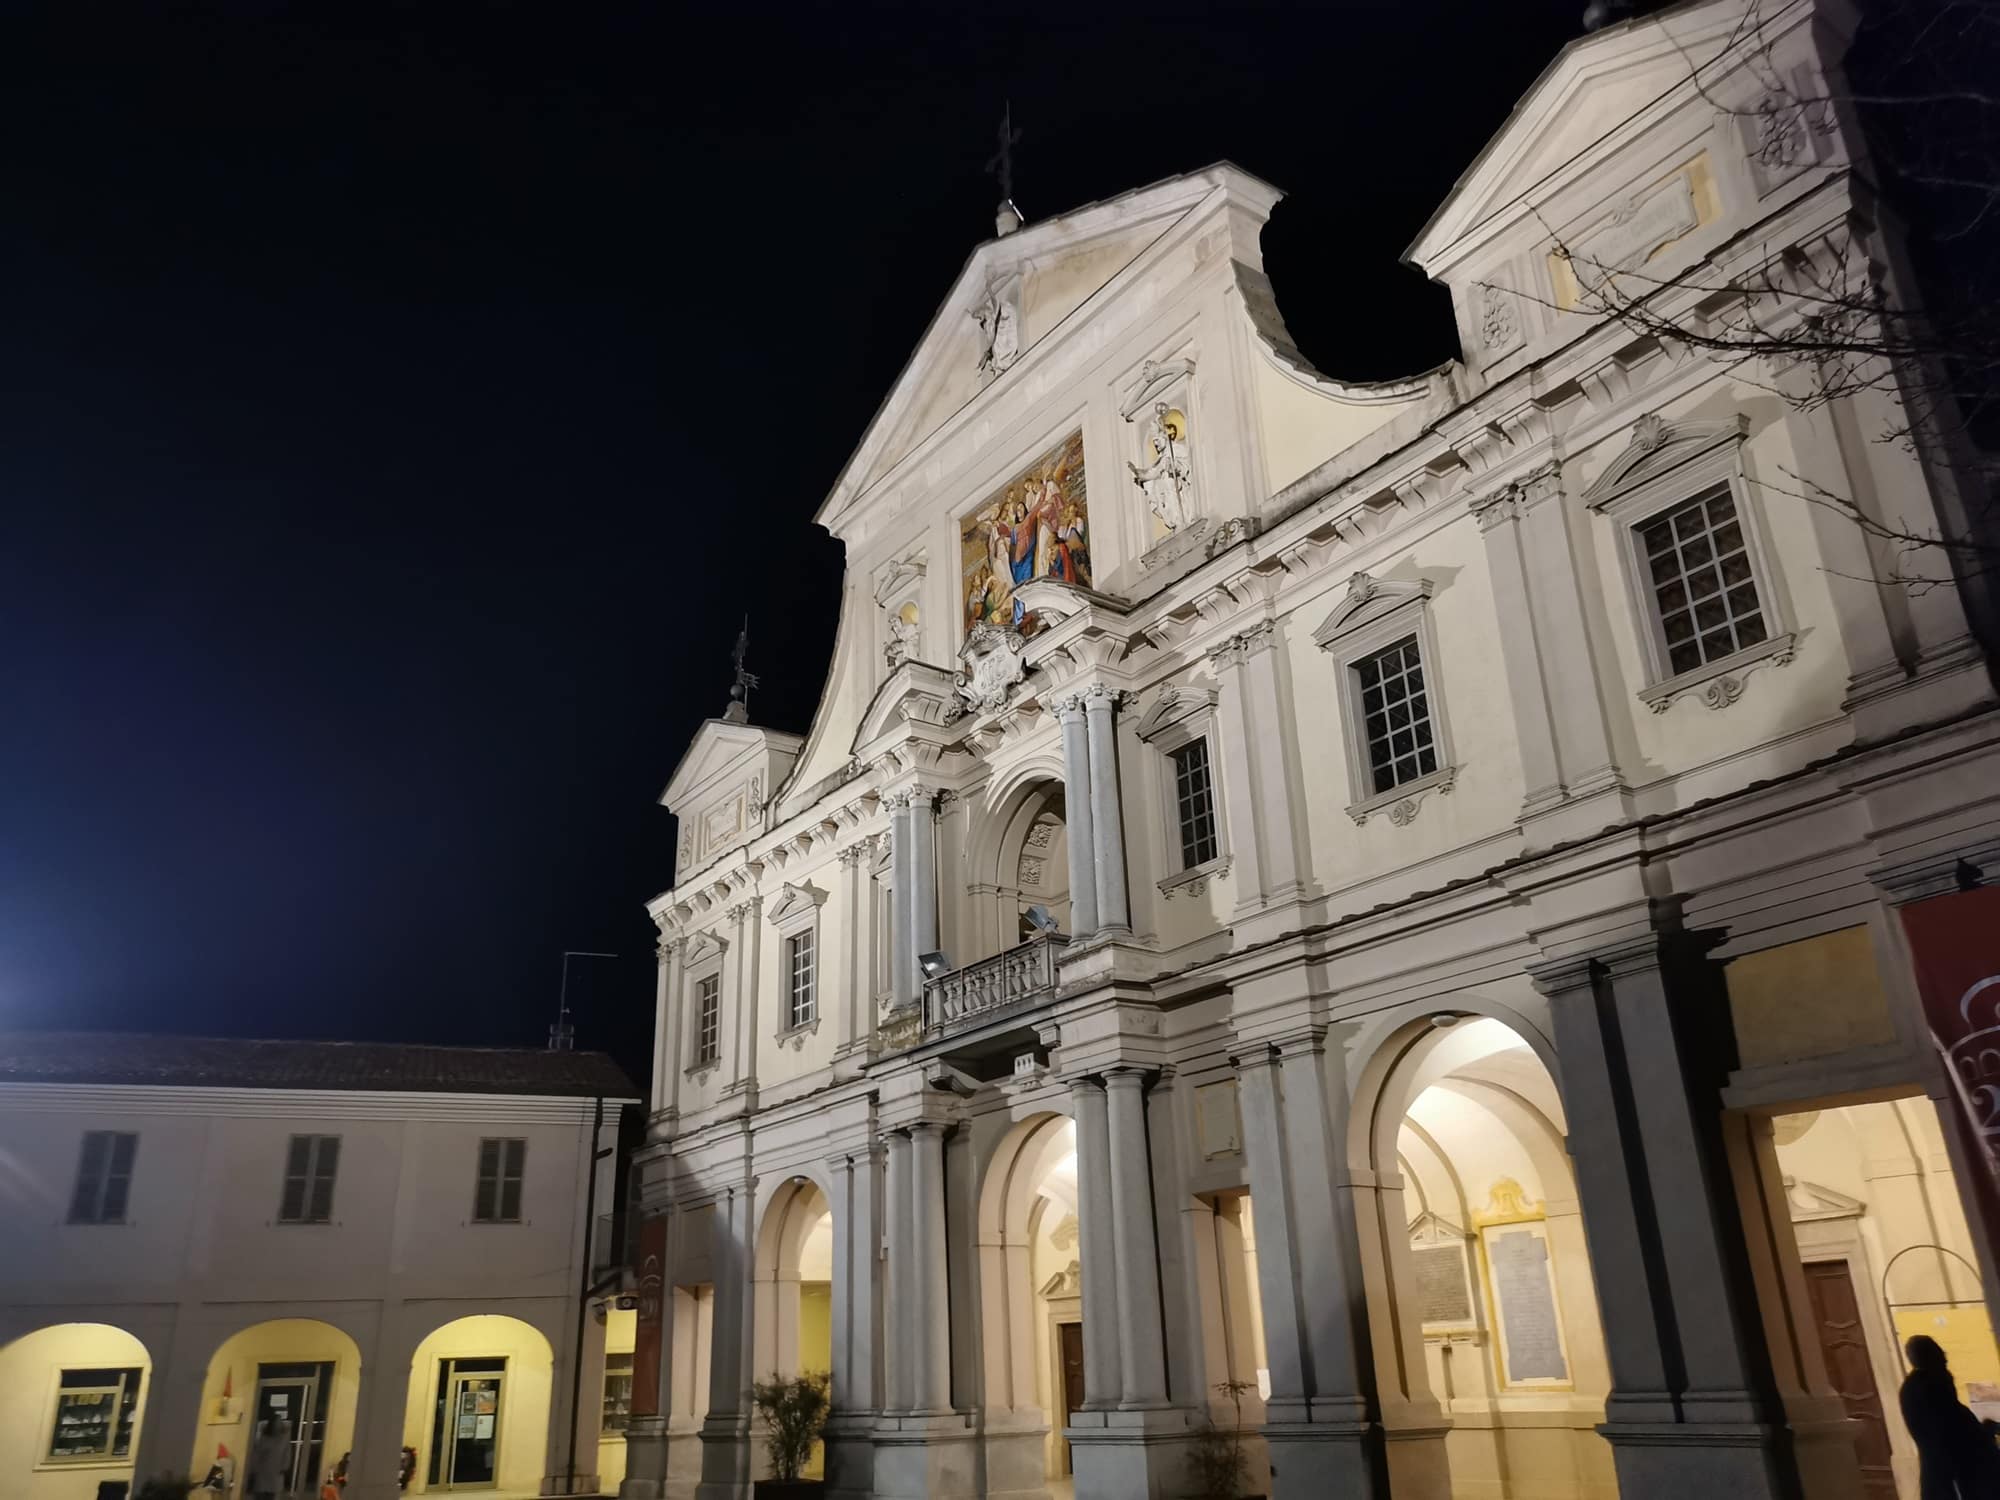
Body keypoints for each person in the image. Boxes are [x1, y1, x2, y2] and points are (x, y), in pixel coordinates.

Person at [1901, 1334, 2000, 1497]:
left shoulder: (1911, 1387)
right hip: (1958, 1472)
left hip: (1942, 1471)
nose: (1945, 1358)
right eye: (1939, 1352)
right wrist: (1985, 1432)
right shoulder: (1932, 1384)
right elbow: (1953, 1429)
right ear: (1931, 1356)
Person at [244, 1414, 293, 1500]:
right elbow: (256, 1454)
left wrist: (284, 1467)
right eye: (276, 1423)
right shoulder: (264, 1438)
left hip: (276, 1472)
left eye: (279, 1422)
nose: (277, 1425)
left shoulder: (284, 1439)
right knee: (261, 1494)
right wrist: (254, 1469)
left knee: (272, 1495)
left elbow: (287, 1454)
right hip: (263, 1471)